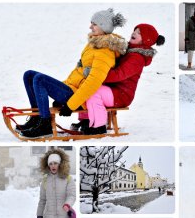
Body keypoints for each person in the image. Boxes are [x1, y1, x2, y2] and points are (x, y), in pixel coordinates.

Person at [17, 8, 128, 138]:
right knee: (29, 75)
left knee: (40, 79)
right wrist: (60, 88)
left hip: (79, 96)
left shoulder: (104, 51)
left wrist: (70, 105)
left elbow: (93, 83)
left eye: (94, 24)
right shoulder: (94, 44)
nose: (90, 26)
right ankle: (36, 118)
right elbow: (78, 73)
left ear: (103, 27)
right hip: (72, 89)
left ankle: (45, 124)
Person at [75, 23, 165, 134]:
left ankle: (99, 126)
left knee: (93, 91)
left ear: (146, 40)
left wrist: (97, 75)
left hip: (121, 94)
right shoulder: (127, 50)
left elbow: (119, 75)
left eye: (139, 33)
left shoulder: (137, 58)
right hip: (113, 89)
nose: (134, 33)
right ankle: (86, 120)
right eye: (135, 30)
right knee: (87, 85)